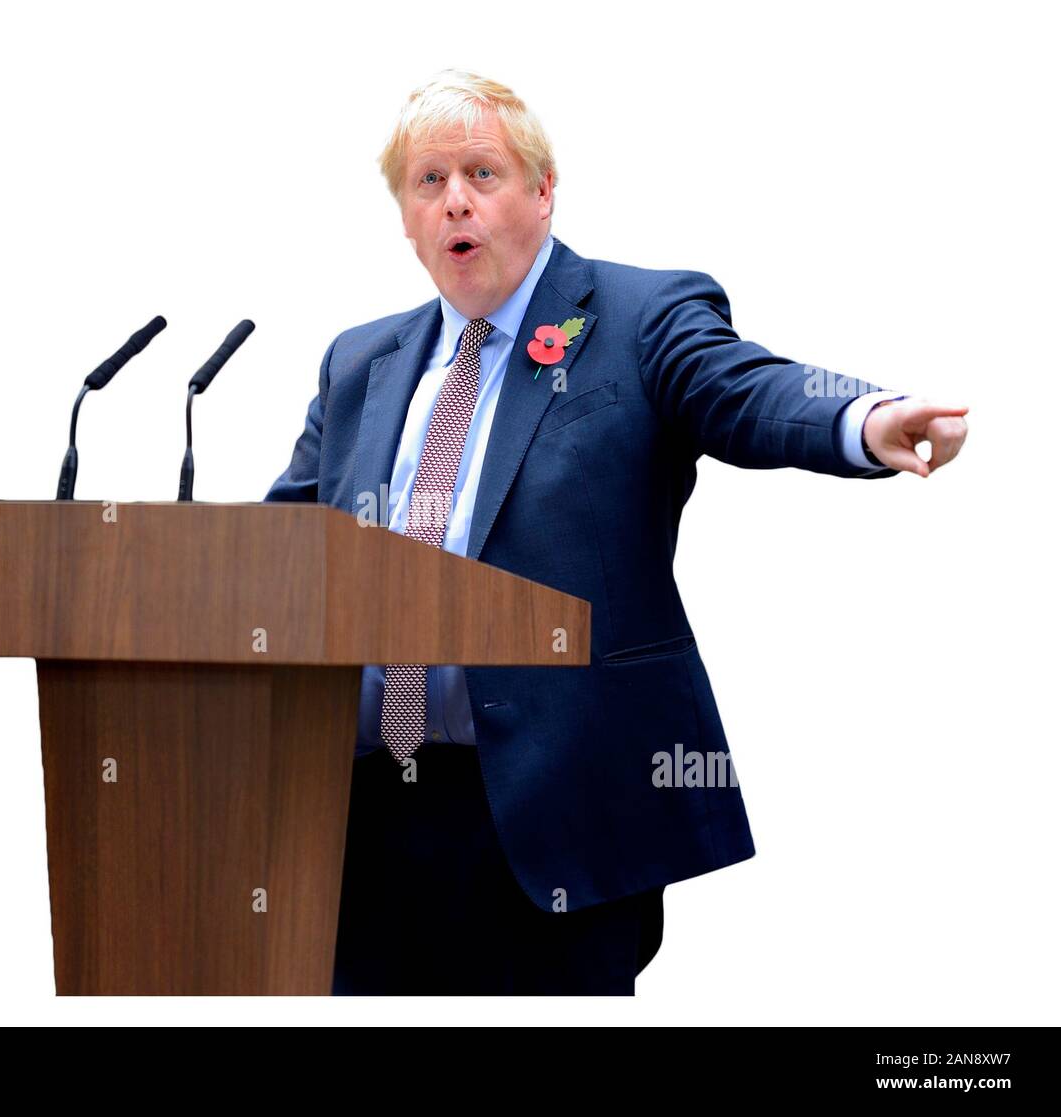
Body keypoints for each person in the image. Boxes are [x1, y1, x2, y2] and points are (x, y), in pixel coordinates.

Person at [264, 69, 968, 995]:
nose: (455, 201)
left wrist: (866, 419)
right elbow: (278, 550)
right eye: (428, 182)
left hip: (552, 808)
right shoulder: (360, 360)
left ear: (544, 191)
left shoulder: (637, 319)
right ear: (403, 215)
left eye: (483, 172)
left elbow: (742, 391)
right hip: (362, 822)